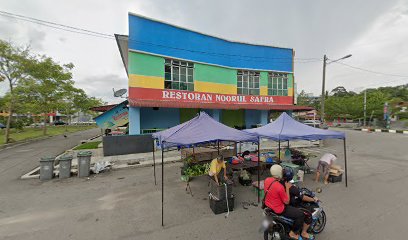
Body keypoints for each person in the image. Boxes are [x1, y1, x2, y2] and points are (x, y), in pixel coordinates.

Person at [264, 165, 313, 240]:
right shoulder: (280, 187)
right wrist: (287, 188)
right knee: (301, 215)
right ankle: (293, 233)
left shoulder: (267, 180)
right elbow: (287, 201)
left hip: (268, 205)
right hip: (279, 209)